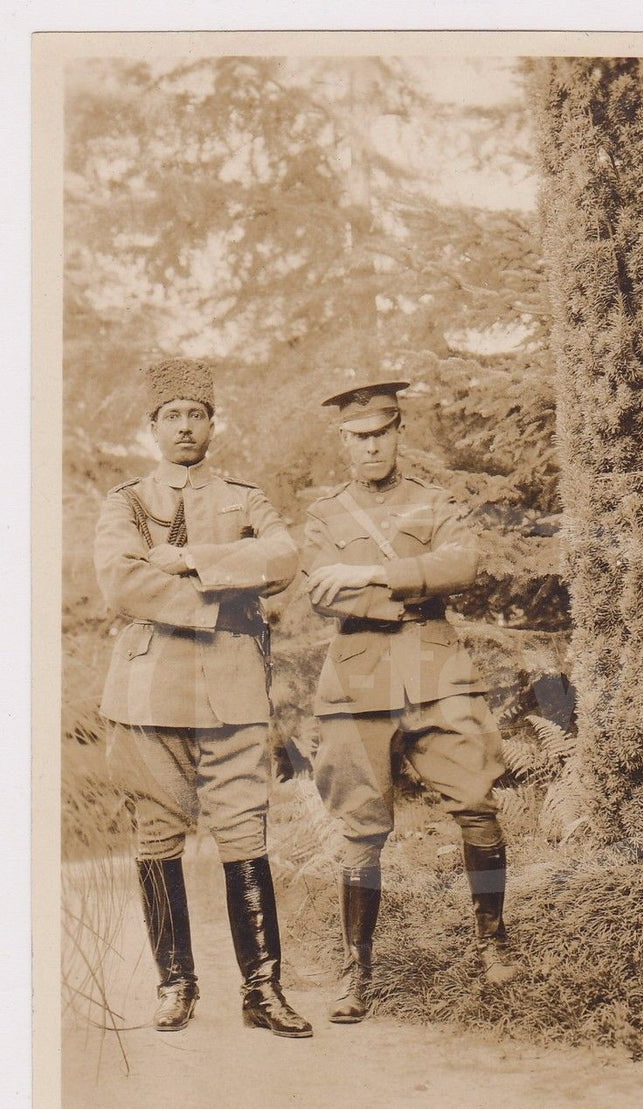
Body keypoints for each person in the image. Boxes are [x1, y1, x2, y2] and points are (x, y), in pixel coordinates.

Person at [94, 358, 312, 1038]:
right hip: (149, 693)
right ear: (152, 427)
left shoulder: (245, 498)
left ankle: (262, 991)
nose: (185, 427)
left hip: (231, 689)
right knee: (157, 836)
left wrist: (189, 559)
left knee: (245, 830)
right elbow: (121, 585)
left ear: (213, 424)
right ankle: (175, 984)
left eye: (197, 415)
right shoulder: (125, 502)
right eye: (173, 417)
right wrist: (224, 597)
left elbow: (282, 558)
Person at [304, 376, 521, 1024]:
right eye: (358, 437)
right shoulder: (324, 514)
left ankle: (494, 943)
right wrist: (413, 586)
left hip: (437, 671)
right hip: (356, 678)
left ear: (400, 433)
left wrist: (372, 575)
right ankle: (357, 971)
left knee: (478, 804)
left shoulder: (435, 502)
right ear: (343, 441)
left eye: (382, 433)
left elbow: (464, 564)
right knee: (360, 832)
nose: (371, 447)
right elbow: (320, 592)